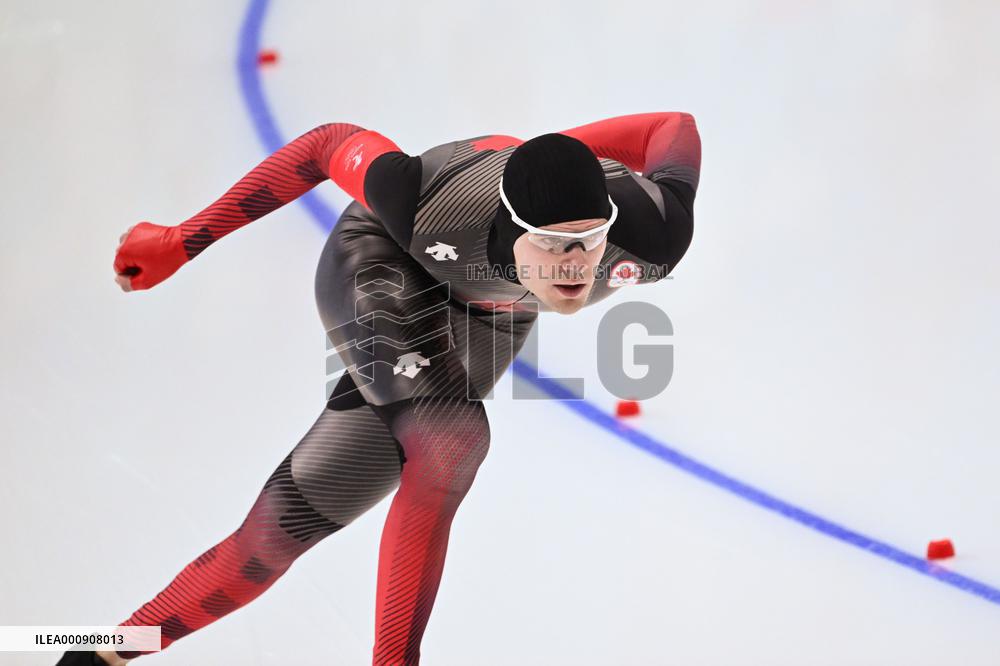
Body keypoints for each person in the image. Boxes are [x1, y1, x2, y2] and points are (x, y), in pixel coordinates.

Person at [59, 112, 700, 666]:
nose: (576, 267)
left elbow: (673, 126)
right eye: (555, 245)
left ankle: (94, 649)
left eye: (588, 242)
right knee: (451, 442)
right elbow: (325, 143)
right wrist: (183, 239)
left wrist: (559, 151)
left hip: (488, 315)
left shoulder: (653, 232)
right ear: (512, 221)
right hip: (384, 262)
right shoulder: (423, 200)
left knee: (276, 534)